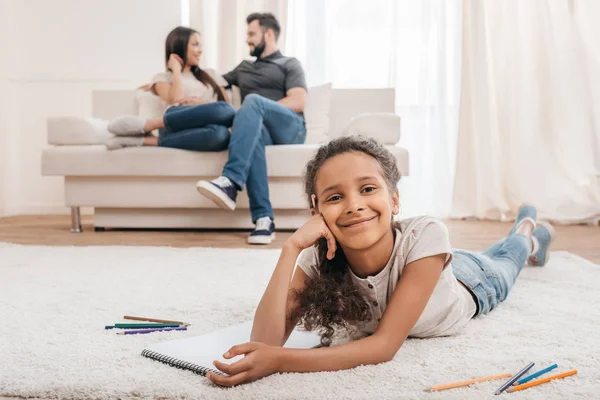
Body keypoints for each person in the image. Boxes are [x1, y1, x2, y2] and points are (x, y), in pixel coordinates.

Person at [204, 135, 555, 387]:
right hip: (433, 266)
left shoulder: (428, 232)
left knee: (509, 260)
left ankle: (526, 231)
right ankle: (526, 234)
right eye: (336, 196)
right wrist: (290, 249)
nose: (354, 205)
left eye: (368, 189)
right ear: (316, 210)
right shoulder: (315, 257)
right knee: (502, 253)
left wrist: (282, 362)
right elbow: (264, 341)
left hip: (471, 283)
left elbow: (384, 346)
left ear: (395, 199)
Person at [195, 13, 308, 245]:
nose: (247, 39)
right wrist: (171, 76)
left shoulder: (289, 63)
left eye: (251, 34)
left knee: (253, 102)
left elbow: (298, 101)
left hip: (289, 126)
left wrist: (259, 109)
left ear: (268, 34)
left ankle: (230, 180)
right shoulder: (243, 68)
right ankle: (264, 219)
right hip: (258, 129)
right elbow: (210, 82)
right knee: (252, 134)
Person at [105, 26, 236, 152]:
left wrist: (201, 104)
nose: (200, 50)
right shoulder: (162, 78)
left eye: (200, 45)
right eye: (195, 44)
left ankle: (145, 140)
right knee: (223, 111)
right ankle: (151, 124)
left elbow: (226, 108)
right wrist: (176, 70)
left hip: (205, 126)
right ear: (181, 45)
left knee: (221, 134)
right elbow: (176, 99)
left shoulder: (211, 74)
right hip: (175, 123)